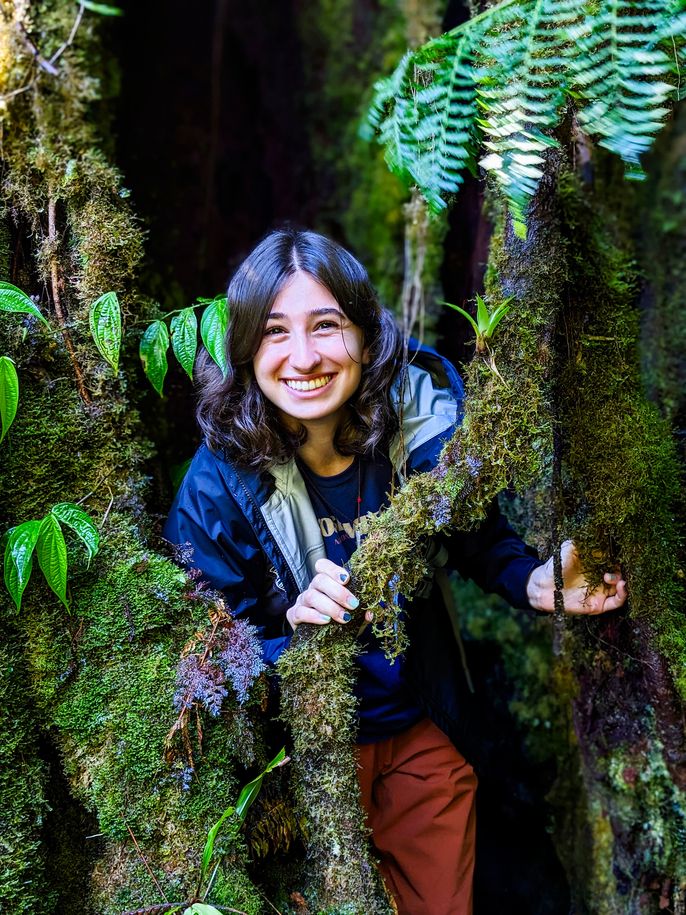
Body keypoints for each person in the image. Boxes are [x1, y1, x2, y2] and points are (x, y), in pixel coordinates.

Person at [164, 227, 627, 915]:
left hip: (420, 729)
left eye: (327, 326)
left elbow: (473, 536)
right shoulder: (215, 486)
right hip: (297, 759)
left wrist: (535, 582)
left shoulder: (412, 422)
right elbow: (200, 652)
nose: (305, 357)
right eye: (275, 332)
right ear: (245, 349)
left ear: (364, 331)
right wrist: (287, 633)